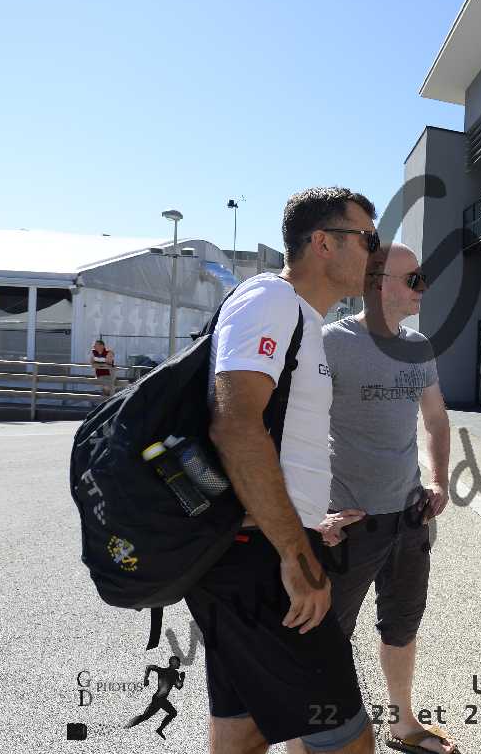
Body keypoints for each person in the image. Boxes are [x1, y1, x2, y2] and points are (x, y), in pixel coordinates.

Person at [191, 187, 380, 753]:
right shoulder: (272, 299)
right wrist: (297, 554)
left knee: (243, 729)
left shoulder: (299, 316)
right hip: (264, 559)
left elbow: (274, 436)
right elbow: (235, 425)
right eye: (367, 239)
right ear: (323, 243)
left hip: (257, 547)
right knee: (347, 740)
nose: (375, 252)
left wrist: (309, 517)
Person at [318, 243, 459, 754]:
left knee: (401, 626)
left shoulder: (418, 346)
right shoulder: (330, 343)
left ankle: (402, 723)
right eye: (414, 279)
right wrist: (309, 513)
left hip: (409, 517)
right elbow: (290, 429)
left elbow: (436, 419)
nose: (424, 287)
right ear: (379, 284)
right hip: (349, 521)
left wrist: (439, 481)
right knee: (328, 635)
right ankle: (324, 733)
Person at [124, 656, 184, 739]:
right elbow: (179, 686)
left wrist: (145, 679)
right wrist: (182, 678)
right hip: (160, 699)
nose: (179, 664)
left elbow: (149, 667)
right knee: (172, 713)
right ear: (174, 663)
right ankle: (158, 729)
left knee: (145, 717)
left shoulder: (162, 670)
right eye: (178, 662)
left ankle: (128, 726)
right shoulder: (174, 673)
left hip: (158, 698)